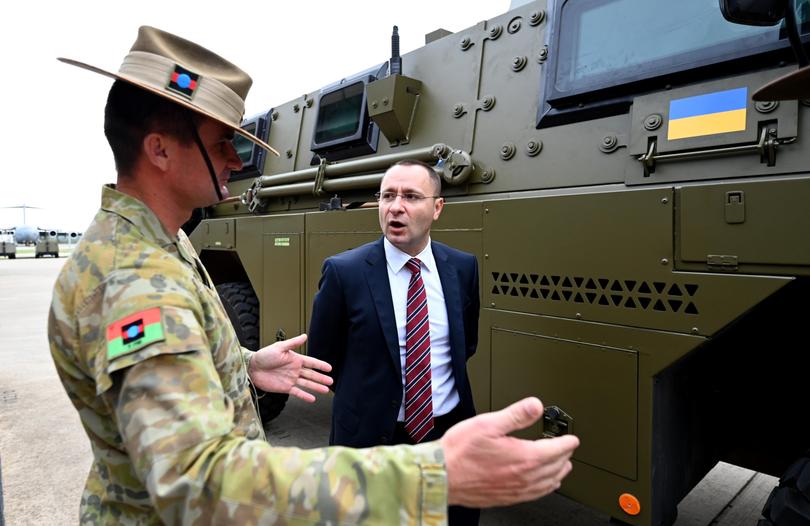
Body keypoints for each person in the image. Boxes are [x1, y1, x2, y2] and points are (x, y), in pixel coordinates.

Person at [49, 26, 580, 524]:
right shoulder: (133, 280)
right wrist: (432, 477)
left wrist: (244, 364)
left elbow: (174, 361)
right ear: (159, 150)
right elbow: (197, 481)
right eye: (220, 145)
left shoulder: (164, 243)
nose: (236, 162)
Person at [308, 160, 480, 523]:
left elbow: (466, 345)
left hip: (447, 434)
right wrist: (369, 400)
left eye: (411, 196)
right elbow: (324, 357)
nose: (395, 206)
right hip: (370, 439)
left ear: (437, 208)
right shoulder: (344, 272)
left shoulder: (463, 268)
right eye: (387, 196)